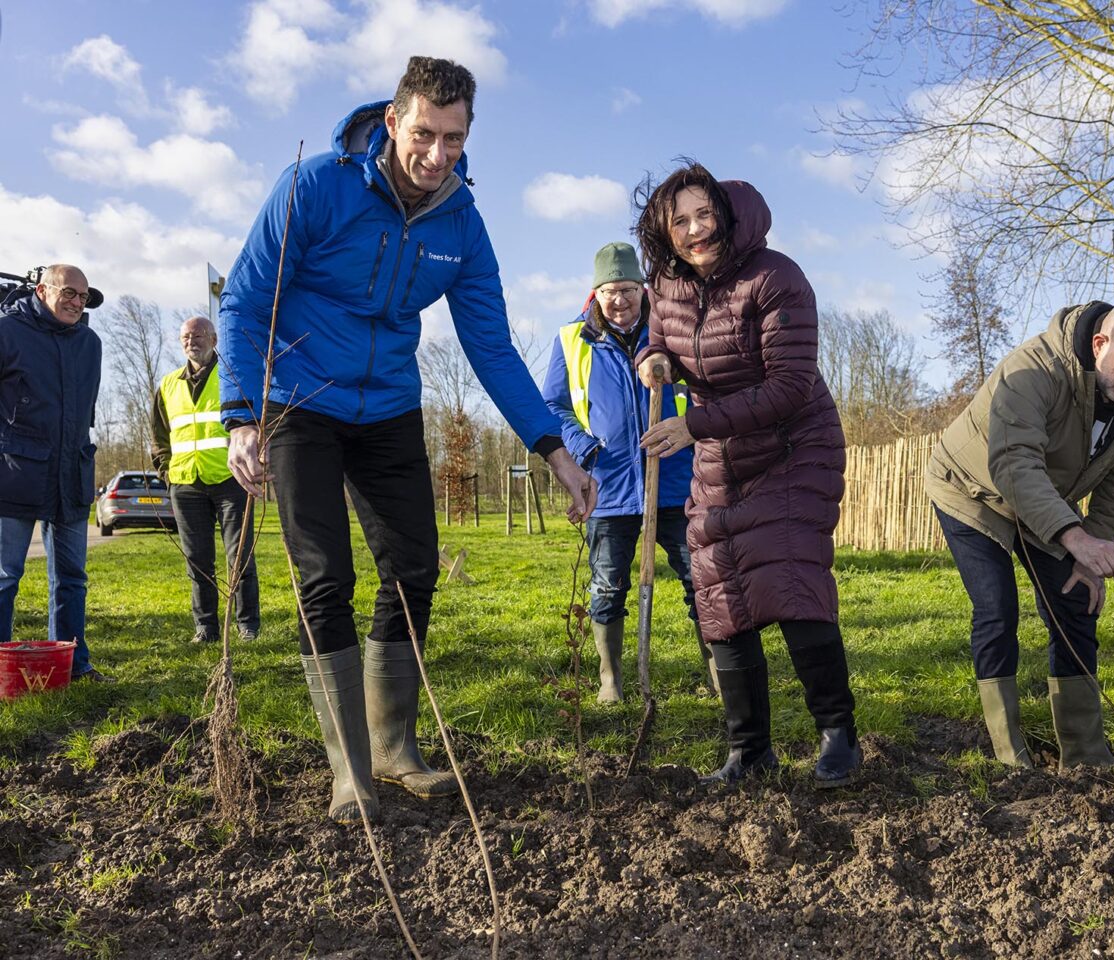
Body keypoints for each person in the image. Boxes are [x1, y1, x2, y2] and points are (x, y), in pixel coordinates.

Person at [219, 57, 595, 823]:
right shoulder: (315, 188)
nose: (437, 154)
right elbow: (245, 301)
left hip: (388, 408)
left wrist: (554, 449)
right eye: (425, 133)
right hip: (300, 404)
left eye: (454, 139)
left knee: (415, 571)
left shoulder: (462, 223)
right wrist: (241, 414)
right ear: (392, 122)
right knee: (325, 579)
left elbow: (492, 347)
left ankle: (393, 748)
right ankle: (348, 772)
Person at [634, 162, 861, 788]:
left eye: (704, 214)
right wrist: (653, 360)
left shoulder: (775, 277)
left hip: (794, 445)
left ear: (727, 216)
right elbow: (658, 336)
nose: (694, 229)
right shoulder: (666, 283)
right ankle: (749, 751)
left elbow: (789, 386)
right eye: (679, 221)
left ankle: (838, 735)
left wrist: (694, 427)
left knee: (791, 577)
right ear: (663, 231)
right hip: (720, 455)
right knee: (719, 591)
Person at [927, 299, 1114, 770]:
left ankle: (1084, 756)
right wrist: (1074, 537)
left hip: (1044, 500)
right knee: (998, 610)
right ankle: (1010, 756)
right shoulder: (1035, 368)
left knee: (1077, 599)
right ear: (1100, 344)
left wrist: (1090, 552)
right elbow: (1014, 463)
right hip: (973, 488)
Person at [542, 241, 716, 702]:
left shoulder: (672, 332)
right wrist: (586, 451)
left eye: (627, 289)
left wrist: (689, 429)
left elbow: (708, 389)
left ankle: (718, 673)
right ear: (594, 293)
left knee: (702, 579)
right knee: (606, 586)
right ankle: (611, 680)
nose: (618, 301)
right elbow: (554, 407)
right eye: (607, 291)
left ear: (642, 288)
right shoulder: (571, 340)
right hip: (610, 485)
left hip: (679, 481)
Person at [0, 265, 112, 682]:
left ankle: (74, 665)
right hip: (15, 472)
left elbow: (85, 413)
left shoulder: (90, 343)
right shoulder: (8, 333)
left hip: (72, 473)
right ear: (42, 290)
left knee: (72, 577)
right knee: (5, 575)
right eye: (69, 292)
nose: (77, 302)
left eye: (84, 297)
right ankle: (1, 671)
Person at [151, 316, 261, 645]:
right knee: (197, 560)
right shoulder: (168, 384)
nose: (191, 341)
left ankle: (247, 625)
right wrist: (166, 472)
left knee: (239, 556)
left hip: (232, 479)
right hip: (186, 483)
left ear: (214, 339)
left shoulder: (232, 377)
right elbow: (159, 436)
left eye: (199, 335)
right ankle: (206, 628)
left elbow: (254, 422)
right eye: (185, 336)